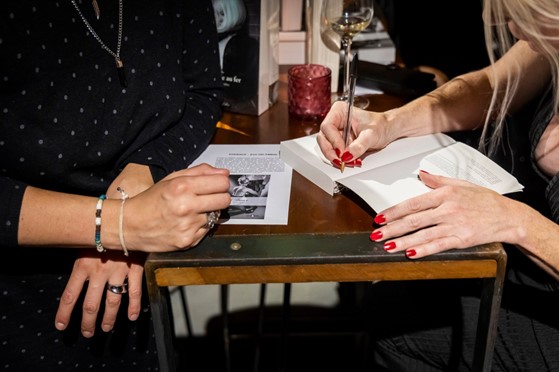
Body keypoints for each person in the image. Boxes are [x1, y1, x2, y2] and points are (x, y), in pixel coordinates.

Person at [318, 0, 559, 370]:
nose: (512, 29)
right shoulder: (548, 42)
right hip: (533, 269)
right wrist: (389, 123)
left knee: (398, 328)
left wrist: (516, 222)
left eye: (528, 16)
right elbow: (489, 86)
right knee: (394, 302)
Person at [0, 0, 231, 370]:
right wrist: (120, 224)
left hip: (140, 267)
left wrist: (138, 181)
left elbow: (202, 93)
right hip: (20, 286)